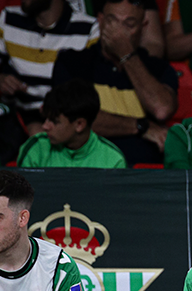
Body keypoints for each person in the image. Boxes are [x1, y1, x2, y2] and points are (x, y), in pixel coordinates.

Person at [52, 0, 178, 166]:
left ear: (143, 25)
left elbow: (161, 109)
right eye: (112, 21)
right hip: (85, 168)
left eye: (129, 24)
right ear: (101, 20)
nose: (118, 32)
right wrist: (141, 126)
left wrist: (126, 55)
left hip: (142, 173)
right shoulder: (72, 62)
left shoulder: (158, 68)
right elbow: (74, 119)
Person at [0, 0, 99, 136]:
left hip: (63, 118)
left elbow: (91, 96)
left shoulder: (88, 29)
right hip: (16, 118)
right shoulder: (9, 18)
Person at [18, 79, 127, 168]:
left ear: (79, 124)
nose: (44, 126)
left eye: (54, 121)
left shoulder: (113, 160)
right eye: (46, 119)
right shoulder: (35, 149)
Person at [68, 0, 165, 58]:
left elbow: (154, 44)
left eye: (129, 23)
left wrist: (126, 57)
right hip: (84, 63)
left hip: (130, 70)